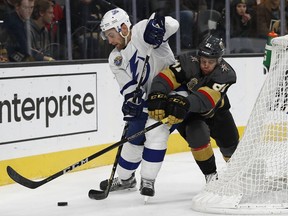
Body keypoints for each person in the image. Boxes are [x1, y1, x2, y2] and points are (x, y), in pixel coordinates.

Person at [98, 8, 179, 197]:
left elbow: (173, 24)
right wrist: (130, 102)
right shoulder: (115, 58)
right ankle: (126, 179)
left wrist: (157, 26)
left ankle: (148, 180)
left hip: (171, 94)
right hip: (146, 100)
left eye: (111, 35)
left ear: (124, 28)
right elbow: (128, 88)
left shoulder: (142, 30)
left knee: (156, 133)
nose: (109, 41)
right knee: (133, 138)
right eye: (107, 36)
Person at [147, 35, 239, 183]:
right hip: (189, 114)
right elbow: (165, 77)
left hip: (217, 113)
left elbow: (207, 99)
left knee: (231, 147)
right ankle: (211, 177)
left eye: (211, 62)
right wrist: (157, 93)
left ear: (219, 60)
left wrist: (185, 103)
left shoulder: (226, 74)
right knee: (198, 137)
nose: (206, 65)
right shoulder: (187, 61)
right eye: (203, 61)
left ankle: (239, 175)